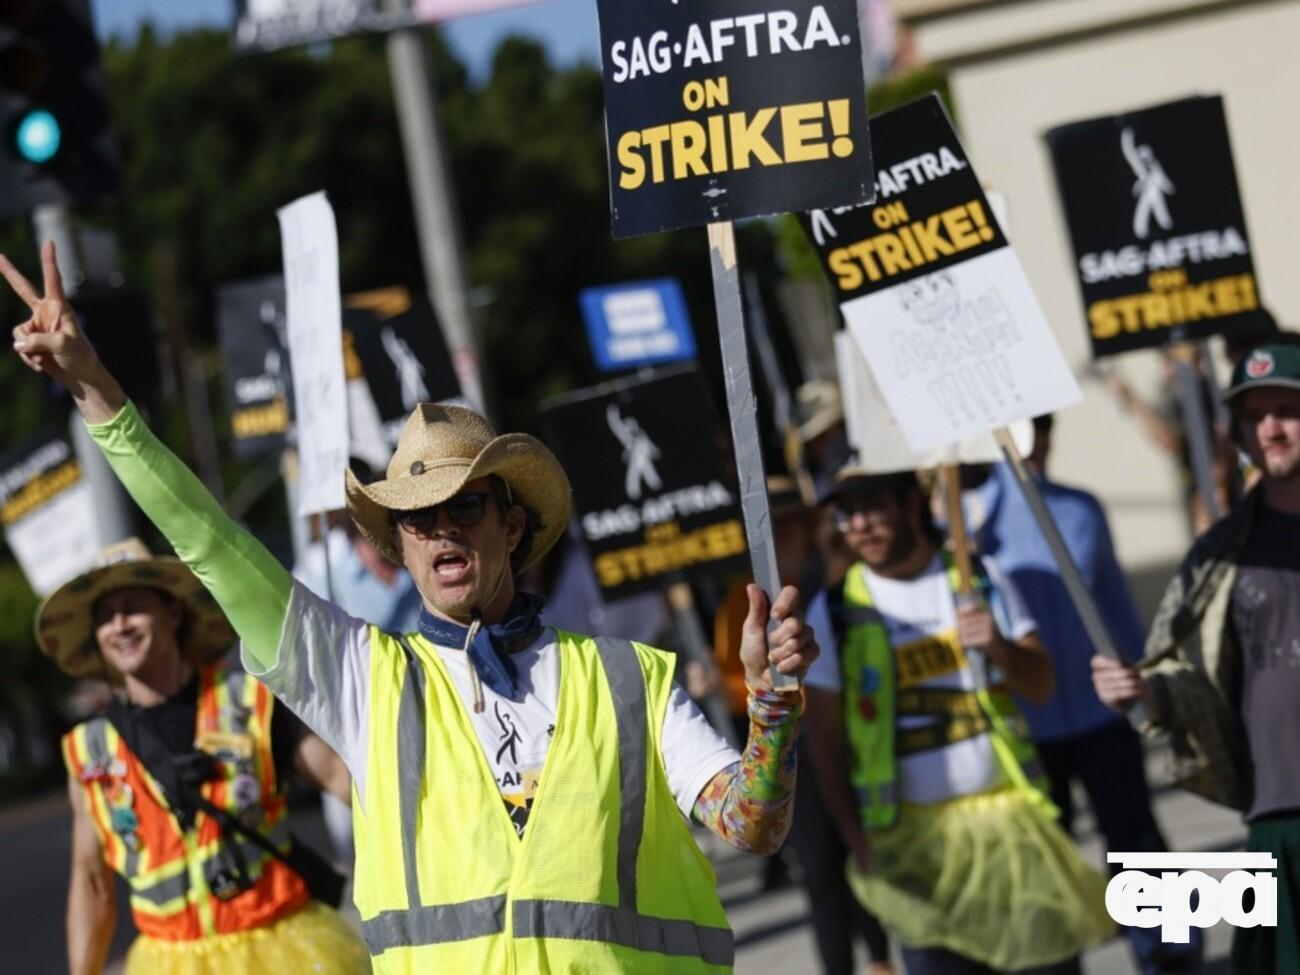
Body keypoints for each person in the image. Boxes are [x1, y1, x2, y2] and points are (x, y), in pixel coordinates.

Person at [5, 241, 816, 973]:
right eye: (417, 518)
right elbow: (208, 540)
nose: (441, 529)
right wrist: (95, 387)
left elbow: (753, 825)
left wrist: (771, 704)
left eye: (465, 505)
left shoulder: (629, 677)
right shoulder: (362, 677)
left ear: (512, 522)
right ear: (397, 547)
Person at [804, 468, 1113, 974]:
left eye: (872, 506)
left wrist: (998, 646)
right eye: (846, 513)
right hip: (913, 850)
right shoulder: (835, 610)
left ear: (910, 504)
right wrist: (851, 835)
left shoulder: (978, 578)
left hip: (1014, 833)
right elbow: (824, 741)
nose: (858, 525)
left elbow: (1041, 684)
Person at [44, 538, 367, 975]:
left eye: (133, 606)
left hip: (281, 947)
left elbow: (351, 785)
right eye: (104, 615)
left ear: (173, 612)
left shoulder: (249, 700)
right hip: (168, 961)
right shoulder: (89, 749)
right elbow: (90, 882)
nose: (118, 625)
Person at [1093, 334, 1300, 974]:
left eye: (1284, 409)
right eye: (1253, 414)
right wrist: (1145, 691)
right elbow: (1191, 676)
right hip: (1277, 816)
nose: (1269, 427)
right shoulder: (1216, 555)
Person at [969, 415, 1200, 974]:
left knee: (1135, 837)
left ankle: (1168, 952)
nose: (1035, 443)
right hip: (1028, 725)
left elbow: (1116, 606)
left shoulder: (1081, 509)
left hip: (1102, 712)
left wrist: (1149, 681)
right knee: (1048, 858)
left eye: (1041, 430)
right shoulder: (971, 526)